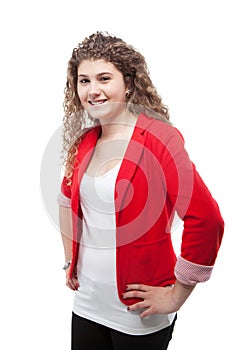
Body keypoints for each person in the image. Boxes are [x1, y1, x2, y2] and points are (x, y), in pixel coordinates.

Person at [57, 31, 224, 350]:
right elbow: (67, 201)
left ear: (128, 83)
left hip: (138, 315)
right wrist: (70, 260)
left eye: (104, 78)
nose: (93, 90)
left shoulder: (160, 139)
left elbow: (206, 218)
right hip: (87, 305)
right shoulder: (85, 144)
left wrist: (178, 294)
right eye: (84, 80)